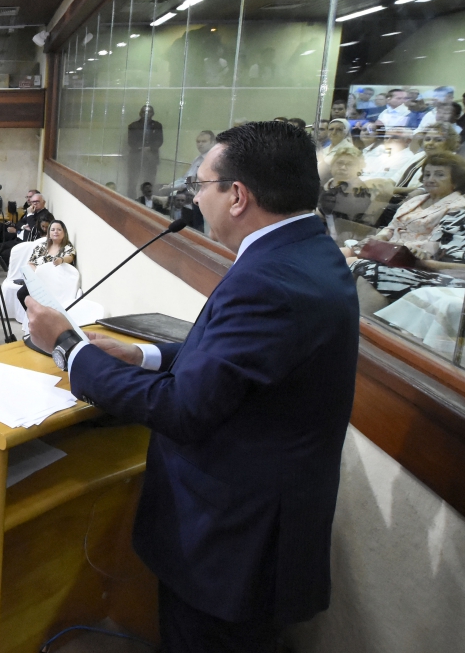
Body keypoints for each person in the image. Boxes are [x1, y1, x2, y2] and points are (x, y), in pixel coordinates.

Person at [24, 121, 358, 653]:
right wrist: (142, 354)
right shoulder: (304, 251)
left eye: (202, 185)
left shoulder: (269, 279)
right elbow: (242, 363)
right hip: (257, 524)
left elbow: (183, 409)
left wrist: (69, 346)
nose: (196, 198)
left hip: (234, 543)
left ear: (238, 195)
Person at [344, 152, 465, 263]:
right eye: (427, 174)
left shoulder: (459, 207)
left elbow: (437, 244)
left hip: (414, 258)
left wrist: (391, 246)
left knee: (346, 262)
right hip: (385, 250)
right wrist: (380, 237)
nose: (430, 179)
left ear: (456, 180)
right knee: (337, 253)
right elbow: (392, 227)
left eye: (439, 175)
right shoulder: (416, 200)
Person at [126, 105, 164, 196]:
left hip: (152, 156)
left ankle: (147, 200)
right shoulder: (133, 125)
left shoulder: (158, 125)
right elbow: (131, 141)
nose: (146, 114)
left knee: (150, 180)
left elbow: (160, 140)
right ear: (140, 113)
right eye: (144, 112)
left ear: (153, 113)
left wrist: (150, 148)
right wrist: (141, 148)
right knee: (133, 180)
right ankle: (131, 199)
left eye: (149, 112)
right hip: (136, 156)